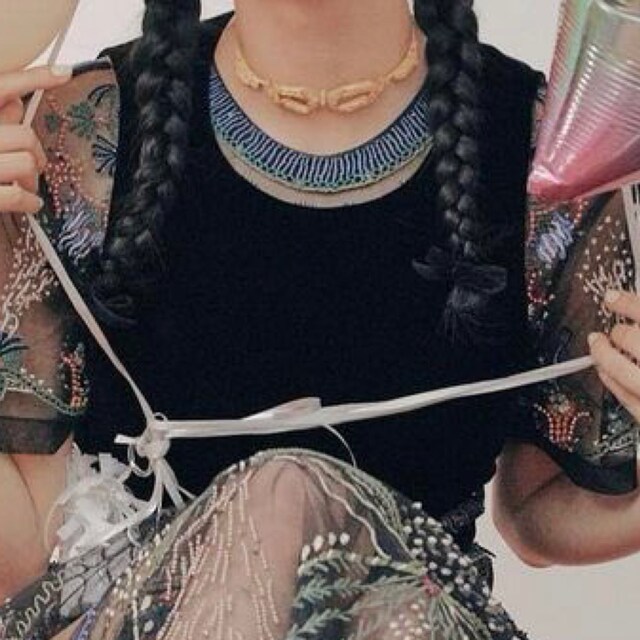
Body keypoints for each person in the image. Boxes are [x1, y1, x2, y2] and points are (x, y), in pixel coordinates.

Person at [0, 1, 639, 638]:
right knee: (280, 494)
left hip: (405, 622)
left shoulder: (549, 155)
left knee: (288, 493)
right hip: (144, 617)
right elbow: (19, 550)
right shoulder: (74, 138)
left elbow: (535, 514)